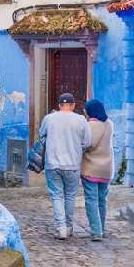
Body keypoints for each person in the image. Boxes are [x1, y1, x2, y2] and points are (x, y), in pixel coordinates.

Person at [39, 93, 91, 239]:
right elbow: (87, 142)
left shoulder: (49, 118)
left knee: (56, 196)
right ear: (73, 105)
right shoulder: (80, 120)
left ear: (59, 105)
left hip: (53, 163)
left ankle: (61, 227)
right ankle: (68, 226)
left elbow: (41, 135)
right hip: (73, 164)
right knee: (70, 196)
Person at [81, 99, 114, 241]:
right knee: (102, 200)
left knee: (91, 200)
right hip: (106, 168)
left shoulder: (91, 126)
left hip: (91, 168)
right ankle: (102, 228)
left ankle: (96, 231)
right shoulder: (109, 124)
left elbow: (89, 144)